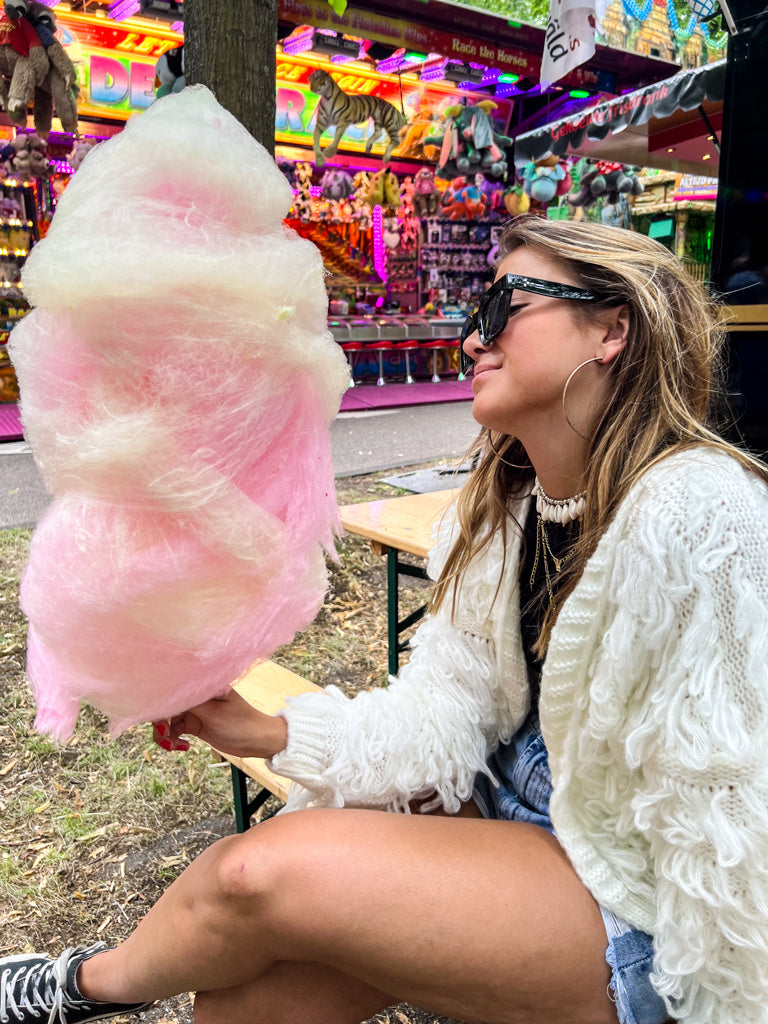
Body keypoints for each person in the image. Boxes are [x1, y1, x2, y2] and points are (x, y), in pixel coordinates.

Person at [4, 214, 768, 1024]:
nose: (474, 341)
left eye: (505, 305)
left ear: (613, 329)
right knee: (250, 1005)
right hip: (508, 808)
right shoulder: (503, 511)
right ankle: (78, 987)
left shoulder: (700, 512)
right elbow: (443, 715)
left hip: (636, 903)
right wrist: (263, 731)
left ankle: (77, 990)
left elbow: (732, 830)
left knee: (252, 877)